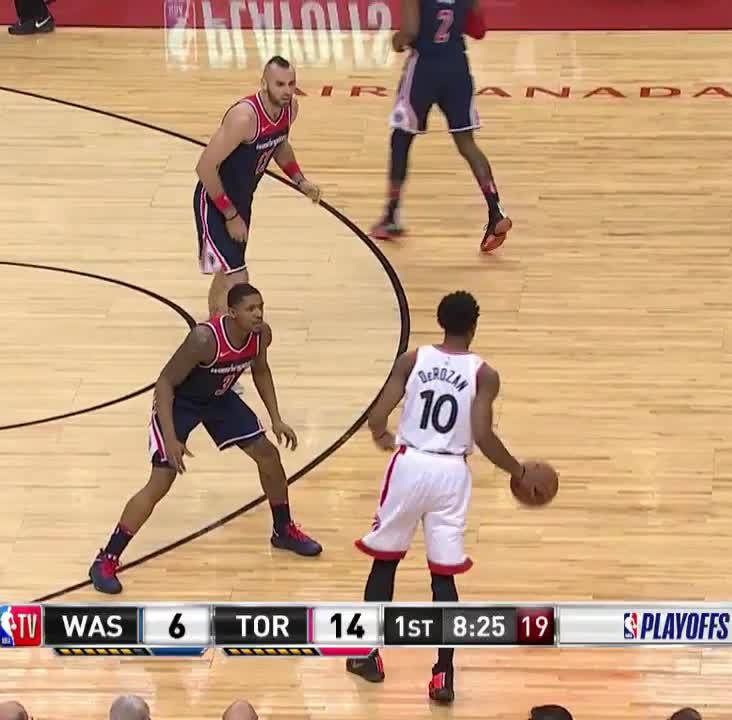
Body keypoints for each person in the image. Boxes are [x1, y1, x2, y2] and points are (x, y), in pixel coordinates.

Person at [347, 290, 529, 703]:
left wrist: (381, 434)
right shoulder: (484, 374)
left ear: (440, 321)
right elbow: (482, 435)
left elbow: (377, 414)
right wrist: (517, 470)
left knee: (385, 562)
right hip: (450, 473)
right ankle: (443, 674)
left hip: (409, 465)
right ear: (474, 327)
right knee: (442, 575)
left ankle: (366, 653)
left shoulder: (412, 360)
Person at [89, 283, 321, 594]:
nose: (258, 314)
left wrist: (276, 418)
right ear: (232, 312)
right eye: (251, 309)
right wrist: (171, 438)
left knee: (268, 454)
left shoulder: (260, 334)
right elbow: (165, 383)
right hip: (180, 403)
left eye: (261, 307)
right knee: (161, 480)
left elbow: (261, 371)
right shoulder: (204, 339)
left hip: (219, 399)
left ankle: (283, 530)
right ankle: (106, 558)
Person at [370, 0, 512, 253]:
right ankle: (495, 210)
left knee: (401, 138)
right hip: (457, 67)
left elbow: (409, 32)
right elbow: (479, 30)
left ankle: (391, 216)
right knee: (467, 144)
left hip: (424, 69)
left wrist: (396, 42)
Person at [194, 56, 321, 319]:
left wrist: (300, 180)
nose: (287, 91)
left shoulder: (290, 109)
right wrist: (230, 215)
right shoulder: (244, 118)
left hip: (242, 201)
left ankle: (214, 326)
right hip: (215, 200)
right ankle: (227, 335)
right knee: (238, 278)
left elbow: (280, 145)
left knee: (227, 273)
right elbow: (205, 167)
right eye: (279, 84)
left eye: (291, 84)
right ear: (264, 84)